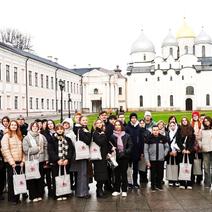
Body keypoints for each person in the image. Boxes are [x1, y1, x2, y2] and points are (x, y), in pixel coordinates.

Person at [23, 122, 48, 202]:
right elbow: (26, 150)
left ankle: (39, 194)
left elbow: (45, 148)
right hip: (31, 161)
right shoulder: (26, 138)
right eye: (33, 126)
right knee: (32, 178)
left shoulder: (42, 136)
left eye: (36, 126)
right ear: (30, 127)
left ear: (38, 127)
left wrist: (46, 158)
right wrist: (37, 149)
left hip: (40, 160)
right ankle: (33, 196)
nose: (35, 127)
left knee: (39, 178)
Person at [48, 124, 74, 200]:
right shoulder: (52, 139)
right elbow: (51, 151)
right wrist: (57, 160)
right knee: (56, 178)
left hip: (66, 162)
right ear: (56, 130)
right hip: (56, 163)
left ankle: (65, 193)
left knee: (66, 177)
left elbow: (71, 150)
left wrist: (67, 159)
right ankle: (58, 194)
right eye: (58, 129)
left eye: (61, 129)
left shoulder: (67, 139)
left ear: (63, 130)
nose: (60, 130)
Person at [1, 120, 24, 204]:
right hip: (11, 162)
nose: (14, 126)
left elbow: (23, 150)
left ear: (17, 127)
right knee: (11, 181)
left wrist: (23, 161)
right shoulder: (6, 136)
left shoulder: (19, 136)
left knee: (18, 180)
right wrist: (12, 162)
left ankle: (17, 197)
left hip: (19, 162)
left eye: (15, 125)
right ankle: (12, 199)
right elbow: (5, 150)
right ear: (9, 126)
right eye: (12, 125)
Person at [110, 120, 133, 197]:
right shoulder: (112, 136)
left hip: (124, 157)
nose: (117, 126)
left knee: (124, 173)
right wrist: (112, 149)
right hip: (116, 157)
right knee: (116, 174)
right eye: (116, 125)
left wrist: (124, 152)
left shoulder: (127, 135)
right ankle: (117, 190)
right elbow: (110, 147)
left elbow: (130, 146)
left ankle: (124, 190)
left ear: (121, 126)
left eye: (119, 125)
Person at [144, 125, 169, 191]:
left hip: (161, 159)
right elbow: (145, 150)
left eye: (157, 130)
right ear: (152, 131)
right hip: (152, 159)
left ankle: (159, 185)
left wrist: (164, 154)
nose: (155, 131)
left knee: (160, 173)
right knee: (153, 173)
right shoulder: (148, 138)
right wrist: (147, 161)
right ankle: (153, 186)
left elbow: (167, 147)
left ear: (159, 130)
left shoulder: (163, 138)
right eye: (154, 130)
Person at [73, 116, 91, 198]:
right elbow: (87, 140)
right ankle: (82, 193)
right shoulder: (80, 130)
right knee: (82, 173)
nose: (85, 121)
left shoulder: (84, 129)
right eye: (83, 120)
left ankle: (83, 191)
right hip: (82, 154)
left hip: (83, 154)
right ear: (80, 121)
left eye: (86, 120)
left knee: (84, 173)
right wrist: (88, 133)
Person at [125, 112, 143, 188]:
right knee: (129, 168)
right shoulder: (127, 128)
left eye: (135, 118)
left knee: (136, 168)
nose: (133, 119)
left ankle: (135, 182)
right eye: (132, 118)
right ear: (130, 119)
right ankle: (129, 182)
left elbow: (141, 140)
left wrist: (141, 152)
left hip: (137, 151)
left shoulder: (139, 128)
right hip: (129, 151)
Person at [177, 117, 195, 189]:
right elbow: (178, 141)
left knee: (189, 167)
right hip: (182, 152)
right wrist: (182, 149)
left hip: (190, 152)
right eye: (182, 120)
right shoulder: (179, 129)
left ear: (187, 121)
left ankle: (189, 183)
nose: (184, 121)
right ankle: (182, 183)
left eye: (185, 120)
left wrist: (189, 150)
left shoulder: (191, 129)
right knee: (181, 166)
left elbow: (193, 141)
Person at [92, 119, 109, 198]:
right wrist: (102, 135)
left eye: (100, 123)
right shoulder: (95, 133)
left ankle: (100, 188)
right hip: (97, 156)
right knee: (99, 174)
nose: (99, 124)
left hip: (103, 156)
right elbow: (100, 142)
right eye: (97, 123)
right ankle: (98, 190)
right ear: (95, 125)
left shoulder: (103, 132)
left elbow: (106, 143)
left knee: (103, 173)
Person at [41, 119, 56, 197]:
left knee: (54, 174)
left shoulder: (57, 131)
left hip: (55, 157)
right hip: (47, 156)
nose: (50, 125)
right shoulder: (44, 134)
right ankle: (50, 190)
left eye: (51, 123)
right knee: (47, 175)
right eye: (48, 124)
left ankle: (55, 189)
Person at [62, 118, 77, 190]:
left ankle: (70, 185)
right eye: (64, 123)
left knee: (69, 171)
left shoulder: (72, 133)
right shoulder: (61, 131)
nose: (65, 125)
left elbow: (74, 145)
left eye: (67, 124)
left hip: (69, 155)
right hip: (61, 155)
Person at [166, 121, 181, 187]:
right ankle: (171, 180)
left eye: (173, 125)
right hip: (170, 152)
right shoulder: (167, 133)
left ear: (175, 126)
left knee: (177, 166)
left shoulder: (179, 133)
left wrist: (176, 151)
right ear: (169, 126)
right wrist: (170, 151)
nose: (172, 127)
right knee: (170, 166)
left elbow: (180, 142)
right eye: (171, 125)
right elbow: (166, 143)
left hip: (177, 152)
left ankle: (177, 180)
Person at [199, 116, 212, 188]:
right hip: (205, 150)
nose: (206, 122)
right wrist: (201, 145)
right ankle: (208, 183)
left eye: (207, 121)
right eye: (205, 121)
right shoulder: (202, 130)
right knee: (206, 168)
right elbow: (198, 139)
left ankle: (210, 180)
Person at [191, 111, 203, 185]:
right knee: (192, 162)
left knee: (199, 162)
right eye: (194, 115)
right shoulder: (190, 123)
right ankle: (192, 177)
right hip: (192, 145)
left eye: (196, 115)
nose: (195, 116)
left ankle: (199, 177)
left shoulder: (201, 123)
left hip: (199, 145)